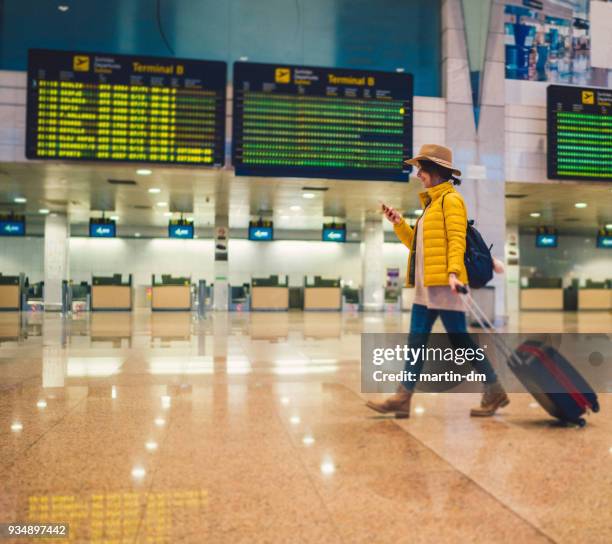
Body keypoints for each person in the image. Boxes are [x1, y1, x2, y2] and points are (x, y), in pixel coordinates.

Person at [366, 144, 509, 419]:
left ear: (435, 170)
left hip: (445, 285)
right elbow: (418, 248)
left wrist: (454, 273)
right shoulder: (431, 205)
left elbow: (457, 240)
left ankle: (494, 388)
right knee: (416, 340)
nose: (418, 173)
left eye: (421, 168)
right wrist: (398, 223)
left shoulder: (451, 200)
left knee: (461, 341)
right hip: (426, 287)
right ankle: (403, 397)